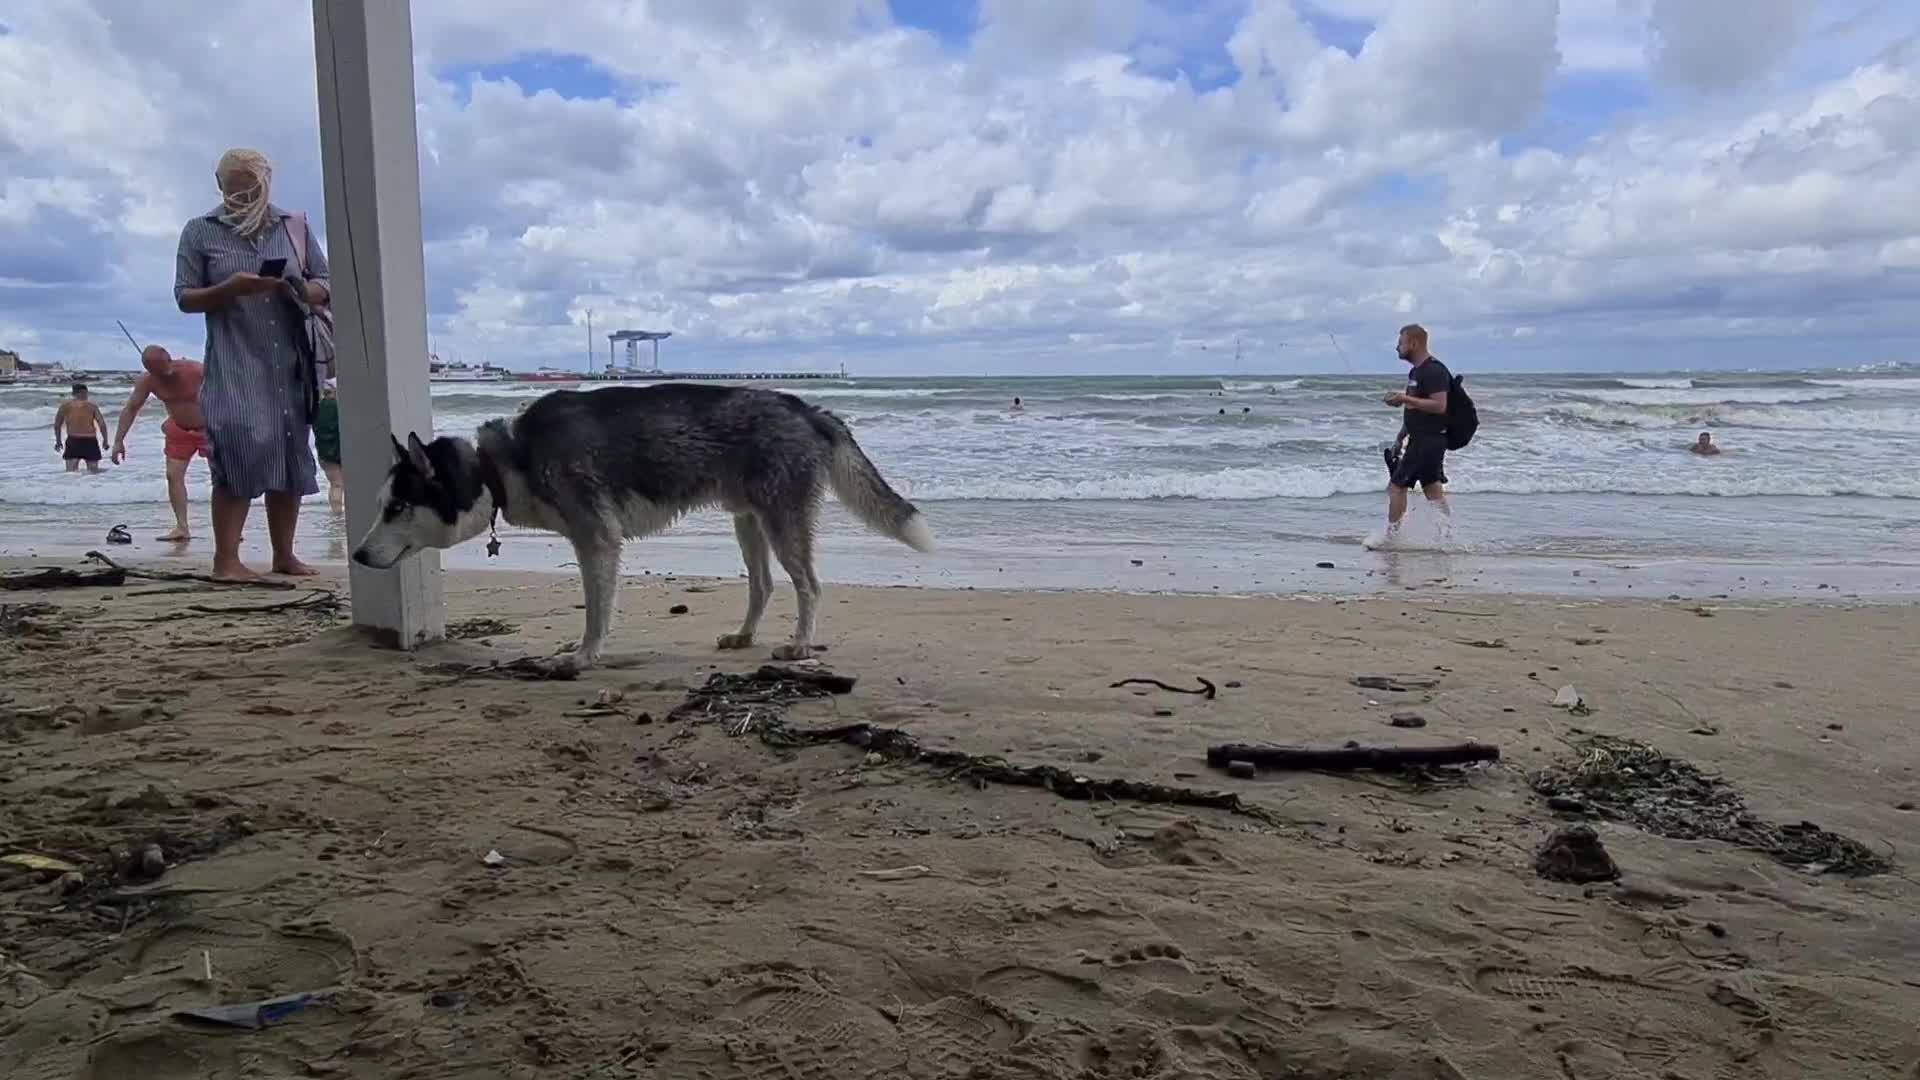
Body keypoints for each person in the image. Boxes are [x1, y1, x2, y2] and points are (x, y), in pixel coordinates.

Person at [173, 147, 330, 581]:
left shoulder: (293, 227)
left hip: (292, 363)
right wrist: (229, 289)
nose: (243, 201)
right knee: (238, 452)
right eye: (235, 193)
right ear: (219, 186)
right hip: (234, 364)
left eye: (252, 191)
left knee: (291, 457)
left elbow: (326, 283)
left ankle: (284, 555)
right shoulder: (201, 231)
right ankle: (227, 560)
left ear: (268, 183)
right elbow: (185, 296)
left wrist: (300, 288)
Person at [111, 346, 209, 541]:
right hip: (178, 429)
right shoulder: (148, 380)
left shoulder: (197, 370)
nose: (165, 376)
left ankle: (231, 530)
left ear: (170, 360)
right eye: (158, 373)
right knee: (173, 476)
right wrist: (118, 441)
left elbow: (230, 395)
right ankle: (182, 527)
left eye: (166, 370)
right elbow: (131, 408)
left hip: (210, 428)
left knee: (222, 477)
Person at [1379, 323, 1452, 540]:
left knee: (1396, 486)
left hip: (1428, 440)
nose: (1397, 347)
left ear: (1414, 343)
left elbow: (1440, 406)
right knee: (1432, 490)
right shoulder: (1416, 372)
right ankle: (1448, 537)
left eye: (1400, 342)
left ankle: (1391, 538)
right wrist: (1401, 437)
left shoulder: (1434, 370)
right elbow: (1415, 409)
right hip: (1420, 439)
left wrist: (1403, 398)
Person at [53, 383, 109, 474]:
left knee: (70, 474)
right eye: (86, 393)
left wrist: (58, 441)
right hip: (90, 440)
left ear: (73, 393)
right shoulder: (92, 406)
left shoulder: (65, 406)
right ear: (83, 392)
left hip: (73, 440)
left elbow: (57, 425)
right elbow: (102, 424)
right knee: (94, 473)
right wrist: (105, 440)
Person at [314, 381, 343, 513]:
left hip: (323, 454)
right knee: (338, 485)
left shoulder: (317, 407)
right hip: (337, 452)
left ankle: (334, 512)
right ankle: (337, 515)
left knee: (334, 484)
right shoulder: (338, 406)